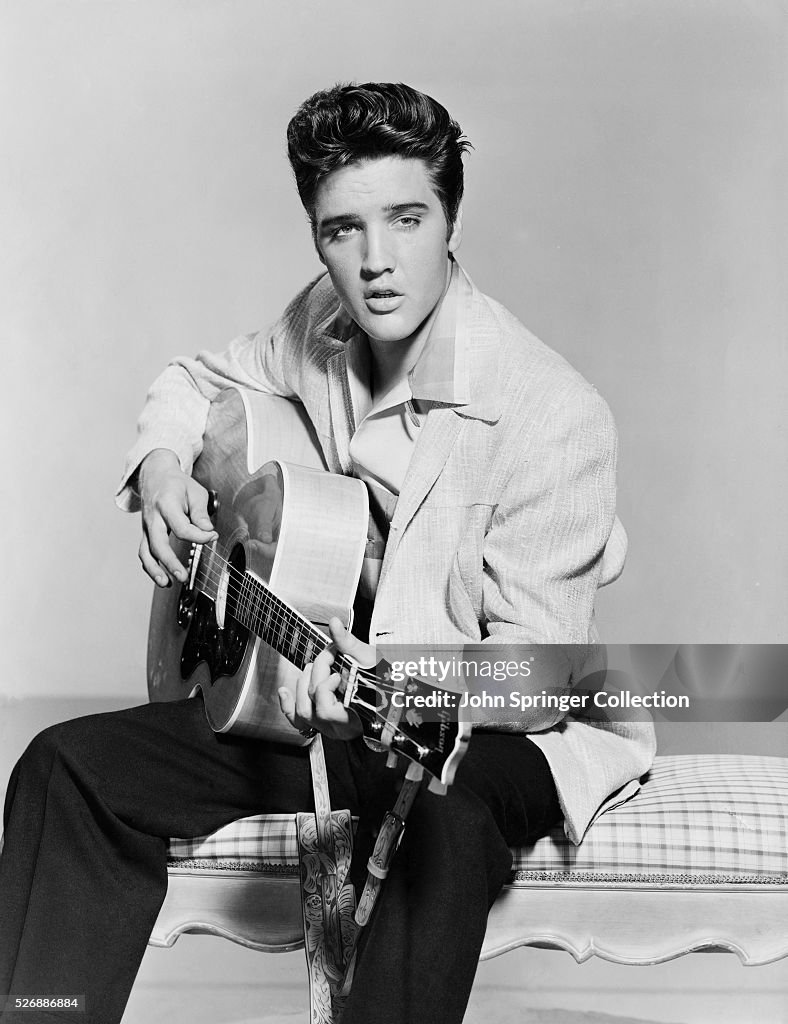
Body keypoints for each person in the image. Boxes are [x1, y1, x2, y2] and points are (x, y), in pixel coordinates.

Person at [0, 82, 655, 1024]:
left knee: (434, 819)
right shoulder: (322, 323)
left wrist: (386, 670)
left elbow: (535, 678)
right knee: (65, 768)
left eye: (406, 219)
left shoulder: (551, 411)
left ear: (450, 219)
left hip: (500, 731)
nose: (377, 262)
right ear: (316, 237)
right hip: (327, 699)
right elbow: (197, 379)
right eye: (343, 230)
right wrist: (156, 465)